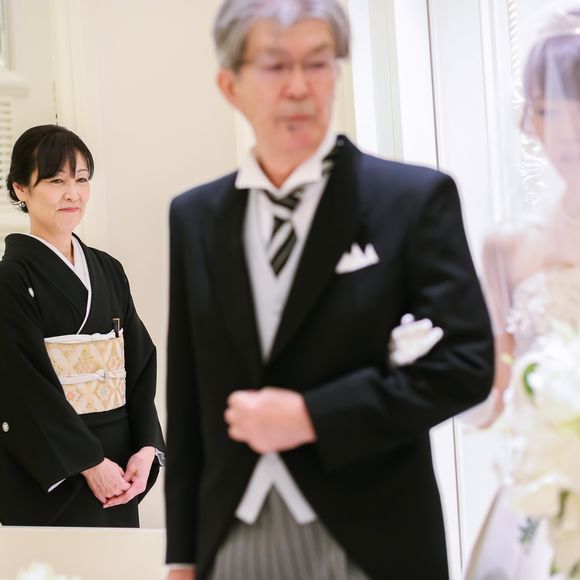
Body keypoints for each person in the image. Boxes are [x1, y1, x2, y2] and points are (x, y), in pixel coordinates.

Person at [164, 1, 494, 578]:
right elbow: (188, 394)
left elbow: (466, 365)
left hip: (372, 534)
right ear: (230, 85)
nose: (300, 87)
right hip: (233, 536)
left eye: (318, 63)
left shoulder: (411, 200)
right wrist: (182, 556)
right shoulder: (195, 216)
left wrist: (313, 416)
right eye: (275, 66)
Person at [464, 7, 580, 579]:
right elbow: (492, 399)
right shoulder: (506, 248)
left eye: (576, 104)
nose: (564, 129)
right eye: (546, 109)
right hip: (542, 494)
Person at [0, 124, 165, 527]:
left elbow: (139, 363)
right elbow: (20, 385)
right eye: (56, 181)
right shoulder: (11, 278)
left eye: (82, 179)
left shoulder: (108, 269)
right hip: (56, 469)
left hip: (121, 465)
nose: (72, 193)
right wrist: (89, 462)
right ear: (21, 189)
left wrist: (146, 448)